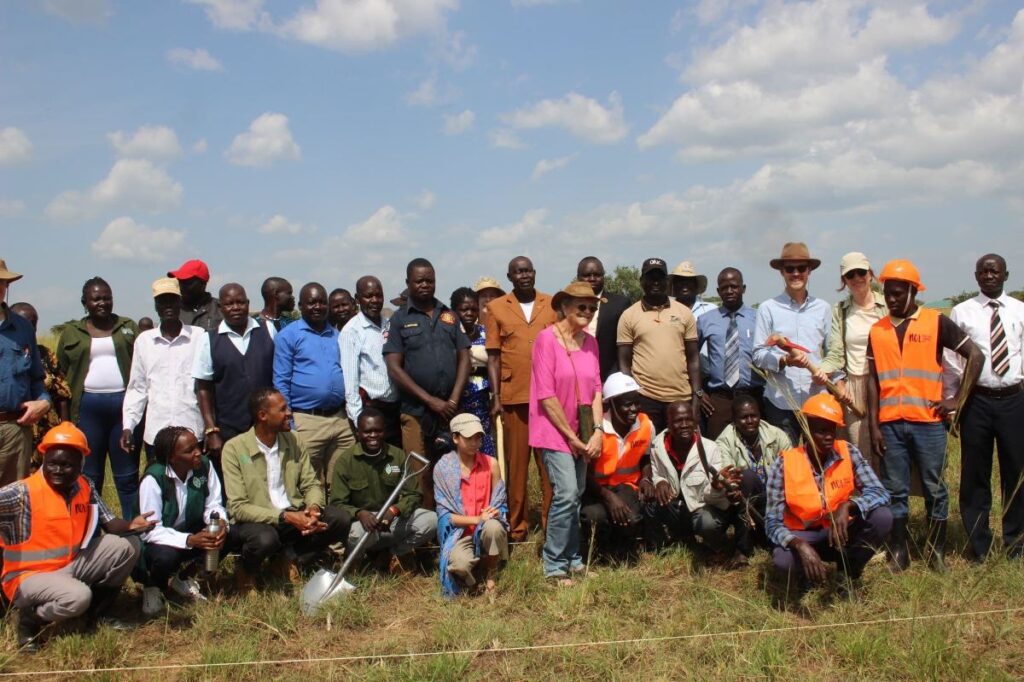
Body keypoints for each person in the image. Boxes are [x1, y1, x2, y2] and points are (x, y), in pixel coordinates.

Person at [867, 259, 982, 572]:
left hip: (929, 424)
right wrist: (874, 425)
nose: (890, 298)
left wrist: (957, 399)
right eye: (887, 293)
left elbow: (976, 354)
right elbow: (873, 381)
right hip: (890, 425)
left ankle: (936, 553)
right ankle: (899, 552)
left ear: (913, 291)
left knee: (935, 488)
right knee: (896, 490)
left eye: (897, 293)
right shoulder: (877, 331)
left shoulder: (935, 322)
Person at [3, 422, 154, 651]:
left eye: (66, 465)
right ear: (43, 459)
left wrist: (131, 524)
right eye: (51, 463)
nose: (57, 470)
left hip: (69, 565)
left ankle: (97, 615)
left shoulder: (85, 486)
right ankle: (31, 620)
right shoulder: (21, 493)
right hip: (28, 577)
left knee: (128, 545)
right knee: (79, 596)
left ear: (81, 465)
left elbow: (110, 524)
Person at [221, 388, 350, 593]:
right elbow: (238, 507)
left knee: (339, 519)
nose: (289, 413)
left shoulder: (294, 440)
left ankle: (288, 559)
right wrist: (287, 517)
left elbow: (310, 483)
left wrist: (313, 508)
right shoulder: (234, 449)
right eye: (282, 409)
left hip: (293, 511)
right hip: (257, 520)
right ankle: (246, 570)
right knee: (265, 539)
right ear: (263, 416)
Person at [765, 394, 892, 595]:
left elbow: (880, 493)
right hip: (804, 535)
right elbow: (772, 523)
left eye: (832, 430)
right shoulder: (785, 463)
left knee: (883, 517)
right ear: (806, 430)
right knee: (783, 560)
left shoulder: (848, 452)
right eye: (821, 431)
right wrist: (799, 545)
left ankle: (849, 571)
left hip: (840, 533)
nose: (829, 437)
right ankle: (806, 574)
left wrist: (848, 505)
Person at [945, 254, 1024, 561]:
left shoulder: (1019, 310)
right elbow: (951, 363)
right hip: (976, 401)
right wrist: (954, 403)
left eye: (995, 271)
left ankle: (1015, 543)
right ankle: (978, 545)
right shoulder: (962, 312)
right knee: (975, 475)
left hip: (1014, 400)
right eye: (983, 271)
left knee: (1015, 473)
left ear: (1006, 274)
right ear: (976, 276)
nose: (989, 275)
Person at [529, 280, 603, 584]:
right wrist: (571, 439)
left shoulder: (591, 342)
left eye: (592, 307)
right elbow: (546, 395)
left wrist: (597, 430)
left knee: (577, 495)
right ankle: (554, 564)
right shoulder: (545, 340)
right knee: (567, 493)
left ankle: (573, 558)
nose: (587, 311)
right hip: (554, 431)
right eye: (581, 306)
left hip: (584, 430)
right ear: (565, 307)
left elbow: (596, 388)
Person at [383, 259, 470, 502]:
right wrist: (430, 400)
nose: (425, 285)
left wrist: (451, 400)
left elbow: (465, 357)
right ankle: (424, 532)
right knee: (419, 472)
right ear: (408, 283)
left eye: (429, 280)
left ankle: (451, 527)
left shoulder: (449, 316)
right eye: (419, 280)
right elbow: (394, 368)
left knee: (452, 471)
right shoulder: (399, 319)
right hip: (416, 412)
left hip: (450, 412)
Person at [486, 256, 558, 539]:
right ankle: (517, 528)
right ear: (510, 277)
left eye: (528, 270)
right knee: (516, 468)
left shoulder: (552, 304)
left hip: (547, 399)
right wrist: (496, 396)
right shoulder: (496, 308)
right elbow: (493, 356)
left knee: (548, 466)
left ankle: (553, 525)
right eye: (518, 272)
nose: (524, 275)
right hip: (513, 397)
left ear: (535, 273)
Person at [56, 277, 141, 519]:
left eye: (107, 297)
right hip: (88, 409)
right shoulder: (72, 332)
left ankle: (132, 534)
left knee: (127, 474)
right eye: (96, 299)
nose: (102, 302)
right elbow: (60, 377)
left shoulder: (127, 326)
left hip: (123, 409)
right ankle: (91, 532)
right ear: (85, 303)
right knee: (90, 476)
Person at [138, 425, 239, 616]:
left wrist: (219, 524)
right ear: (172, 457)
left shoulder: (204, 466)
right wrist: (190, 540)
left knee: (231, 534)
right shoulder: (154, 478)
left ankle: (185, 578)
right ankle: (154, 586)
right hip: (159, 542)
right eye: (189, 450)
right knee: (165, 557)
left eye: (197, 446)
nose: (198, 453)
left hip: (191, 531)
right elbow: (150, 530)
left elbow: (214, 504)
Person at [329, 408, 437, 573]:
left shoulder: (398, 456)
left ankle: (395, 554)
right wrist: (359, 513)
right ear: (358, 432)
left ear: (384, 431)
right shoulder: (346, 461)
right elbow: (337, 504)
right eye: (367, 431)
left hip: (391, 520)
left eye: (378, 431)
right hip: (363, 524)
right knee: (356, 534)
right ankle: (357, 563)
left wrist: (395, 510)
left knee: (431, 520)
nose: (373, 435)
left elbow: (414, 494)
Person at [753, 242, 834, 444]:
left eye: (801, 268)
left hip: (815, 399)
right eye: (790, 268)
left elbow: (833, 353)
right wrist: (784, 360)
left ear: (809, 271)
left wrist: (825, 370)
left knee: (816, 463)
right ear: (782, 272)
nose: (796, 273)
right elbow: (758, 355)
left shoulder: (823, 308)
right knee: (786, 464)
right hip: (780, 402)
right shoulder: (768, 309)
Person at [273, 282, 352, 485]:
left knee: (341, 479)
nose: (317, 306)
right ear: (300, 305)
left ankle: (337, 516)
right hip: (307, 420)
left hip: (340, 420)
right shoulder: (288, 336)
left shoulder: (338, 335)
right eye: (311, 302)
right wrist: (289, 423)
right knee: (308, 481)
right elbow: (281, 381)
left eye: (321, 302)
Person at [121, 278, 204, 465]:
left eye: (172, 300)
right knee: (160, 486)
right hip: (156, 432)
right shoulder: (144, 341)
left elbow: (206, 384)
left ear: (179, 302)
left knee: (193, 487)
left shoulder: (198, 337)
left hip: (192, 427)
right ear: (156, 306)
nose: (168, 306)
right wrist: (128, 426)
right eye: (162, 301)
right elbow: (137, 388)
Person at [617, 258, 703, 435]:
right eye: (650, 277)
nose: (655, 282)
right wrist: (631, 397)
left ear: (667, 282)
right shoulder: (629, 315)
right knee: (646, 453)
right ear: (641, 281)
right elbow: (624, 363)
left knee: (682, 451)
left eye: (660, 277)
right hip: (645, 397)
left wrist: (696, 397)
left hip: (681, 397)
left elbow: (693, 359)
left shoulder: (684, 313)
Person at [193, 283, 275, 469]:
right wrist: (211, 430)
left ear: (248, 303)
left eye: (240, 302)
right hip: (229, 428)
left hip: (266, 425)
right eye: (229, 304)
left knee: (269, 476)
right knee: (235, 480)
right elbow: (203, 388)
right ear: (221, 308)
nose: (236, 307)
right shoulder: (209, 340)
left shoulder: (268, 330)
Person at [819, 253, 887, 467]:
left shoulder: (887, 306)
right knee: (858, 448)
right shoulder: (840, 311)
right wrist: (825, 372)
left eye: (861, 272)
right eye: (850, 275)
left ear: (870, 274)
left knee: (887, 443)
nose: (857, 278)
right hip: (853, 387)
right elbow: (836, 353)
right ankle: (862, 497)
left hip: (884, 384)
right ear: (844, 280)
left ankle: (887, 496)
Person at [434, 413, 508, 596]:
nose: (475, 442)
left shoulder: (491, 464)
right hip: (459, 534)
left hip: (485, 528)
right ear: (455, 438)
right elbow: (446, 517)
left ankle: (491, 573)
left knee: (494, 527)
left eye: (478, 437)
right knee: (458, 565)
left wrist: (495, 512)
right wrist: (476, 519)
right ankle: (471, 579)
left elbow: (500, 501)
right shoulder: (443, 469)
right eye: (469, 438)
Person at [646, 401, 732, 559]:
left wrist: (715, 485)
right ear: (669, 424)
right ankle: (665, 544)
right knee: (649, 502)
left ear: (695, 422)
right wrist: (660, 482)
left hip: (702, 507)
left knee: (707, 523)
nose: (684, 425)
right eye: (678, 420)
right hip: (676, 507)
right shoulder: (657, 447)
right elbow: (657, 472)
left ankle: (717, 546)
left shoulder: (710, 448)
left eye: (688, 420)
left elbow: (716, 498)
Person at [580, 373, 652, 560]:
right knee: (594, 517)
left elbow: (646, 458)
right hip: (597, 490)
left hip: (627, 488)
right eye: (627, 404)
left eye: (636, 403)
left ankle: (621, 548)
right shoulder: (597, 429)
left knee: (631, 517)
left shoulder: (645, 424)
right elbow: (585, 475)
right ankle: (599, 550)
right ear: (610, 404)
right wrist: (609, 497)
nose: (634, 409)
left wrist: (645, 478)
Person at [714, 395, 793, 559]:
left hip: (776, 497)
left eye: (754, 416)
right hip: (744, 498)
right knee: (747, 477)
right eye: (744, 417)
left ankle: (768, 535)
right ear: (734, 420)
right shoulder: (724, 441)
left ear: (760, 415)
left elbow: (792, 471)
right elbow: (728, 475)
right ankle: (743, 548)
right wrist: (731, 484)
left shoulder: (777, 435)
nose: (750, 420)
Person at [0, 259, 51, 485]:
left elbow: (36, 379)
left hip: (15, 430)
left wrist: (43, 401)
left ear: (6, 286)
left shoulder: (23, 327)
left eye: (1, 282)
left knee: (13, 501)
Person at [697, 268, 763, 439]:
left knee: (754, 448)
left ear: (743, 288)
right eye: (724, 287)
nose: (729, 291)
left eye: (734, 286)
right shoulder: (705, 320)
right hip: (719, 399)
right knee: (716, 450)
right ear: (718, 291)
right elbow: (689, 357)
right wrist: (698, 391)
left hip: (752, 396)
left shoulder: (758, 318)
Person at [341, 275, 401, 447]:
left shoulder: (389, 325)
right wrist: (359, 420)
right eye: (368, 296)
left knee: (394, 465)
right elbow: (350, 382)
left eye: (378, 295)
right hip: (371, 411)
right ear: (358, 299)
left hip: (395, 409)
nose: (374, 300)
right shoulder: (352, 331)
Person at [11, 303, 70, 458]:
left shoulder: (45, 354)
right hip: (13, 433)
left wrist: (64, 430)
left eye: (33, 324)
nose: (30, 329)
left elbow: (62, 396)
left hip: (46, 435)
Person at [451, 287, 495, 456]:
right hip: (458, 397)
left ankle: (485, 479)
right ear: (454, 310)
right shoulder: (448, 334)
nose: (469, 313)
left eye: (474, 309)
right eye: (464, 309)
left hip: (483, 396)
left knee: (482, 440)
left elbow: (493, 361)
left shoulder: (486, 333)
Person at [576, 256, 630, 381]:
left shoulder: (620, 304)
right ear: (578, 277)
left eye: (597, 275)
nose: (592, 279)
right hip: (575, 375)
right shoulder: (568, 305)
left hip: (609, 377)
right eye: (587, 275)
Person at [168, 259, 222, 332]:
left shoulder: (220, 310)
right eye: (179, 281)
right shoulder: (174, 311)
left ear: (203, 283)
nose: (181, 286)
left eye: (187, 282)